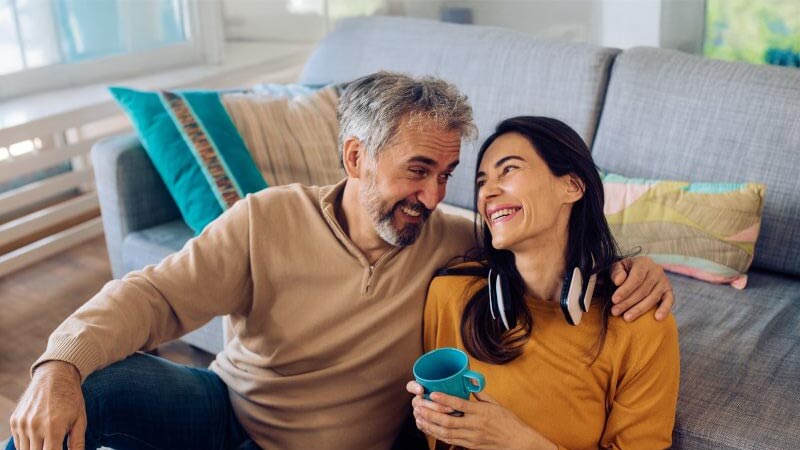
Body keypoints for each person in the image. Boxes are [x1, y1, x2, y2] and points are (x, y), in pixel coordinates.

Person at [8, 74, 674, 450]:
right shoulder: (265, 219)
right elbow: (154, 297)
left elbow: (539, 234)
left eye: (446, 175)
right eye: (418, 170)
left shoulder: (452, 240)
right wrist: (58, 365)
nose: (434, 196)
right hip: (225, 408)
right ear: (356, 158)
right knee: (90, 384)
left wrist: (631, 265)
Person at [407, 116, 680, 450]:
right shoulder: (450, 295)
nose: (488, 192)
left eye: (508, 170)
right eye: (482, 181)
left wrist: (517, 442)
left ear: (573, 186)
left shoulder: (641, 325)